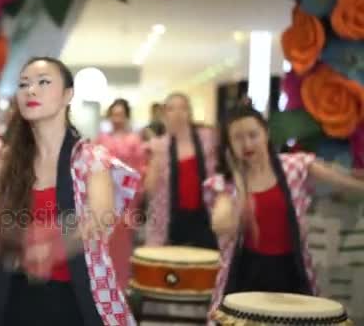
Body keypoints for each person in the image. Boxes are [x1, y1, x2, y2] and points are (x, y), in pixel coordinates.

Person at [0, 57, 140, 326]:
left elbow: (101, 219)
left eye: (43, 82)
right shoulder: (6, 159)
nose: (31, 90)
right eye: (23, 84)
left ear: (67, 95)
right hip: (11, 294)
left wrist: (51, 248)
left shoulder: (89, 158)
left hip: (71, 298)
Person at [203, 103, 364, 321]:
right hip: (245, 272)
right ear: (229, 144)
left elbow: (344, 182)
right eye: (238, 138)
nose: (247, 143)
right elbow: (220, 225)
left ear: (266, 134)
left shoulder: (294, 166)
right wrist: (240, 189)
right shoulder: (226, 183)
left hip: (291, 269)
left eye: (253, 134)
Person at [144, 93, 218, 249]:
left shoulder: (209, 139)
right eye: (172, 109)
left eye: (183, 108)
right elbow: (149, 189)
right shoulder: (159, 145)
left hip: (206, 217)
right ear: (164, 115)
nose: (178, 113)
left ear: (189, 112)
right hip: (171, 220)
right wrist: (156, 158)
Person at [96, 98, 146, 291]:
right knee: (103, 241)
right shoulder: (102, 139)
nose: (117, 118)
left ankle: (121, 286)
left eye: (120, 114)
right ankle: (102, 285)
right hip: (104, 196)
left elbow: (139, 170)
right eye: (114, 114)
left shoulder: (134, 140)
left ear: (126, 116)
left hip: (127, 199)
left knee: (123, 243)